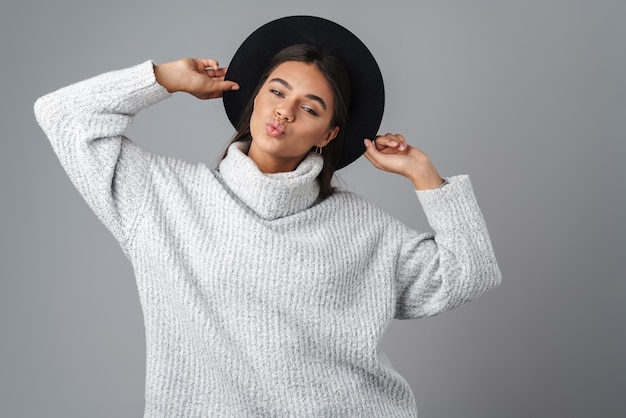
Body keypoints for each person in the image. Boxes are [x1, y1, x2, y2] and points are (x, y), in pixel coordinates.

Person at [34, 16, 500, 418]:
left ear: (328, 133)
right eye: (277, 90)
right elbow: (61, 115)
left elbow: (469, 273)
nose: (285, 110)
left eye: (310, 107)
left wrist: (423, 174)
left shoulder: (362, 229)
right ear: (255, 97)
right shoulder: (160, 198)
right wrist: (162, 77)